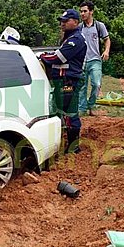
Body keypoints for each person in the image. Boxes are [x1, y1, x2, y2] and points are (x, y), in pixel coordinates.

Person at [40, 9, 87, 154]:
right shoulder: (69, 38)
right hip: (64, 81)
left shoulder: (75, 40)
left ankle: (73, 148)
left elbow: (58, 58)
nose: (62, 23)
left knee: (69, 114)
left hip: (69, 82)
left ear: (76, 22)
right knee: (64, 112)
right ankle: (70, 145)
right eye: (61, 21)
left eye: (66, 21)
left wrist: (42, 57)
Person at [78, 1, 111, 116]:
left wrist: (106, 51)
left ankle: (91, 105)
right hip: (82, 61)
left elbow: (107, 39)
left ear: (91, 12)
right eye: (81, 11)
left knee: (96, 84)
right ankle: (82, 108)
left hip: (95, 59)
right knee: (82, 86)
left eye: (85, 11)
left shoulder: (99, 26)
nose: (82, 14)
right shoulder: (79, 27)